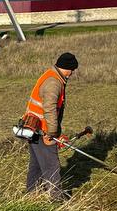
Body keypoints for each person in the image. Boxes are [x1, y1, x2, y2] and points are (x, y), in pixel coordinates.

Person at [22, 52, 78, 200]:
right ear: (66, 67)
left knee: (37, 165)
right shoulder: (54, 82)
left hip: (33, 128)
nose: (72, 73)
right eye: (72, 69)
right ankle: (56, 199)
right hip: (42, 130)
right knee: (51, 166)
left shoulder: (51, 75)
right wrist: (52, 133)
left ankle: (32, 195)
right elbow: (50, 109)